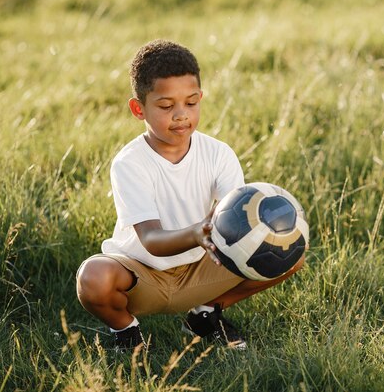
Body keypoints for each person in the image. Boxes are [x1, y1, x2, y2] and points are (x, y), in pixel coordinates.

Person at [76, 39, 305, 352]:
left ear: (201, 99)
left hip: (204, 266)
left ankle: (205, 313)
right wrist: (198, 232)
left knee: (290, 251)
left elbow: (236, 214)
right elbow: (152, 239)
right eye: (167, 106)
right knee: (93, 276)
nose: (181, 115)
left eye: (192, 102)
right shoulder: (130, 162)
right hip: (144, 275)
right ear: (138, 108)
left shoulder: (218, 154)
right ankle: (127, 332)